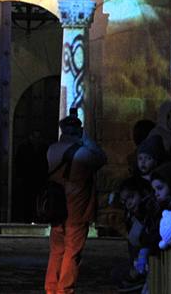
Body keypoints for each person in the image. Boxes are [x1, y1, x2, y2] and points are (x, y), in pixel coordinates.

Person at [43, 114, 107, 294]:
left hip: (56, 204)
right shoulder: (83, 153)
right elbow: (102, 158)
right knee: (72, 251)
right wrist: (86, 138)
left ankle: (51, 288)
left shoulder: (52, 149)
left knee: (56, 250)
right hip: (76, 206)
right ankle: (65, 289)